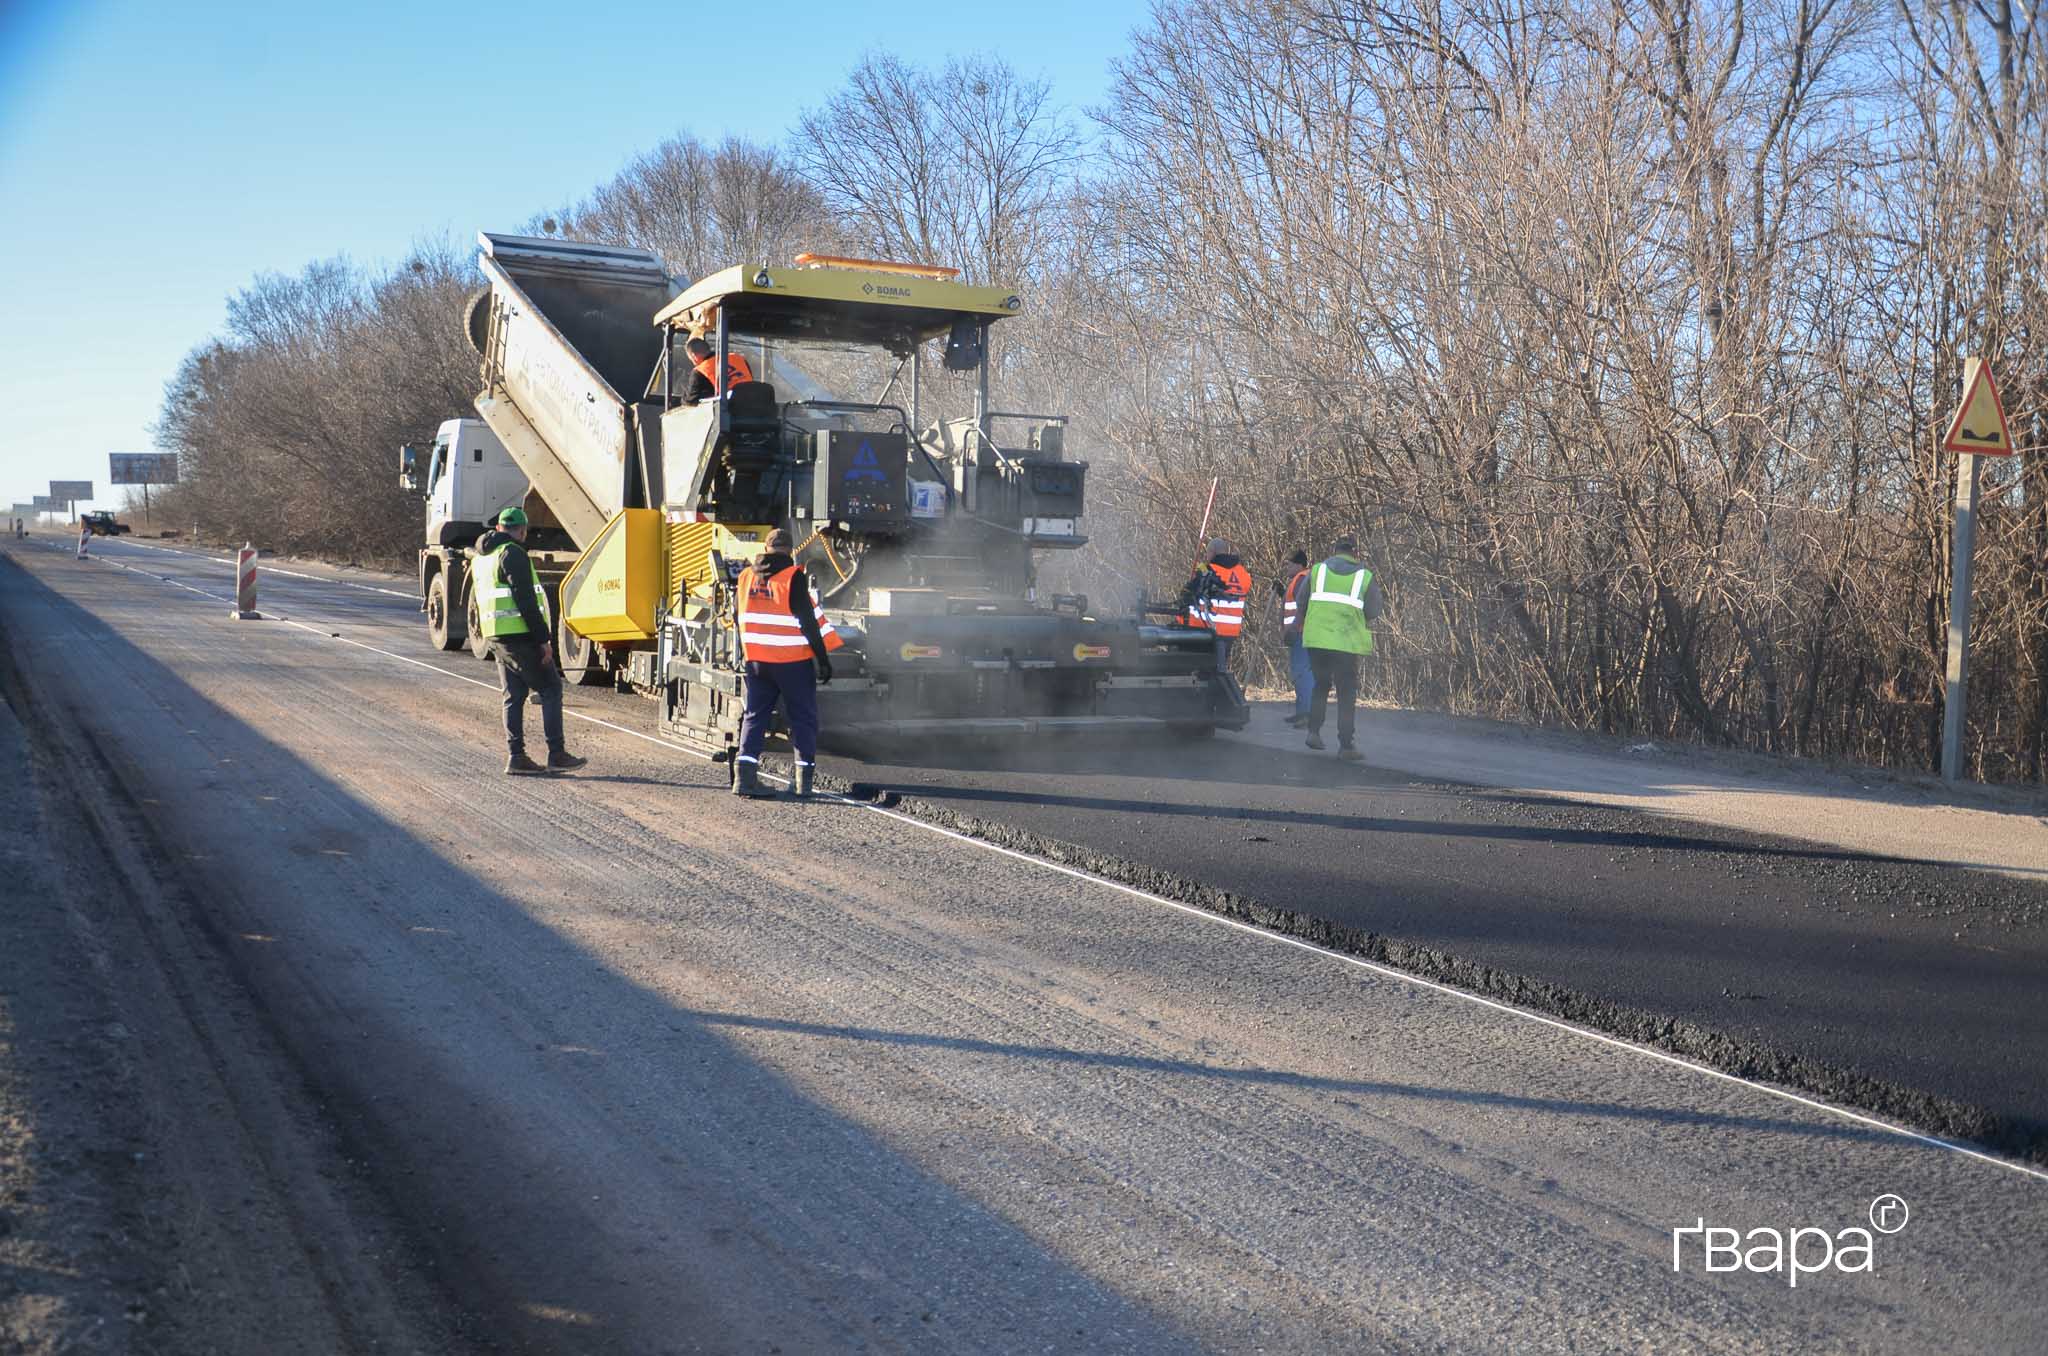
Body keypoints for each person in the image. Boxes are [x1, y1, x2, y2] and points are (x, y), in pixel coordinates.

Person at [474, 506, 586, 776]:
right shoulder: (513, 554)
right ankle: (556, 754)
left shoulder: (483, 557)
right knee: (550, 689)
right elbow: (525, 600)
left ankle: (517, 756)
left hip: (496, 634)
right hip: (519, 634)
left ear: (499, 527)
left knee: (514, 696)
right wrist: (543, 640)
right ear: (522, 530)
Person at [733, 527, 843, 799]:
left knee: (754, 717)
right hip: (791, 662)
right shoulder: (793, 577)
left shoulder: (746, 576)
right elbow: (808, 622)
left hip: (757, 662)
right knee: (803, 719)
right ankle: (802, 784)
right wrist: (824, 659)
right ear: (791, 550)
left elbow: (738, 617)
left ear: (766, 548)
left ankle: (744, 781)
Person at [1289, 534, 1382, 762]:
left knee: (1321, 685)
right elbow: (1374, 611)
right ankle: (1346, 745)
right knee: (1346, 692)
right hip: (1346, 642)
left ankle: (1314, 732)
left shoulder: (1318, 570)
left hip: (1317, 640)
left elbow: (1301, 601)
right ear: (1354, 553)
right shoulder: (1364, 576)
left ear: (1335, 550)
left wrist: (1296, 626)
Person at [1180, 537, 1252, 671]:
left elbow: (1188, 595)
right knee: (1220, 668)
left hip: (1209, 630)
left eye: (1207, 553)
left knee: (1206, 671)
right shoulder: (1243, 574)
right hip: (1231, 631)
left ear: (1212, 552)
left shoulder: (1208, 571)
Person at [1276, 549, 1313, 726]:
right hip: (1299, 632)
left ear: (1299, 564)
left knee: (1302, 672)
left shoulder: (1302, 579)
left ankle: (1306, 713)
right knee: (1300, 672)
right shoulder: (1299, 580)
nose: (1287, 568)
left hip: (1301, 633)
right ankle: (1301, 712)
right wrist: (1282, 593)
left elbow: (1303, 606)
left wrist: (1293, 629)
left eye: (1289, 564)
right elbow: (1293, 602)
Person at [684, 337, 754, 404]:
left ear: (694, 356)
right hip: (754, 402)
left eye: (691, 359)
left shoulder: (699, 371)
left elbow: (690, 401)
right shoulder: (739, 358)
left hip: (729, 411)